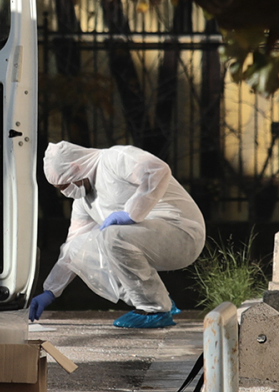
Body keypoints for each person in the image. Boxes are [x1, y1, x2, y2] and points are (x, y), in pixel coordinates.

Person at [29, 141, 206, 328]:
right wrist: (50, 291)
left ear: (75, 168)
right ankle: (158, 300)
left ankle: (154, 309)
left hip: (182, 232)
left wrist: (132, 213)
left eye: (65, 185)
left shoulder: (115, 158)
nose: (66, 192)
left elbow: (156, 170)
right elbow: (72, 249)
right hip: (149, 239)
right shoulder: (84, 202)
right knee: (77, 248)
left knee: (112, 236)